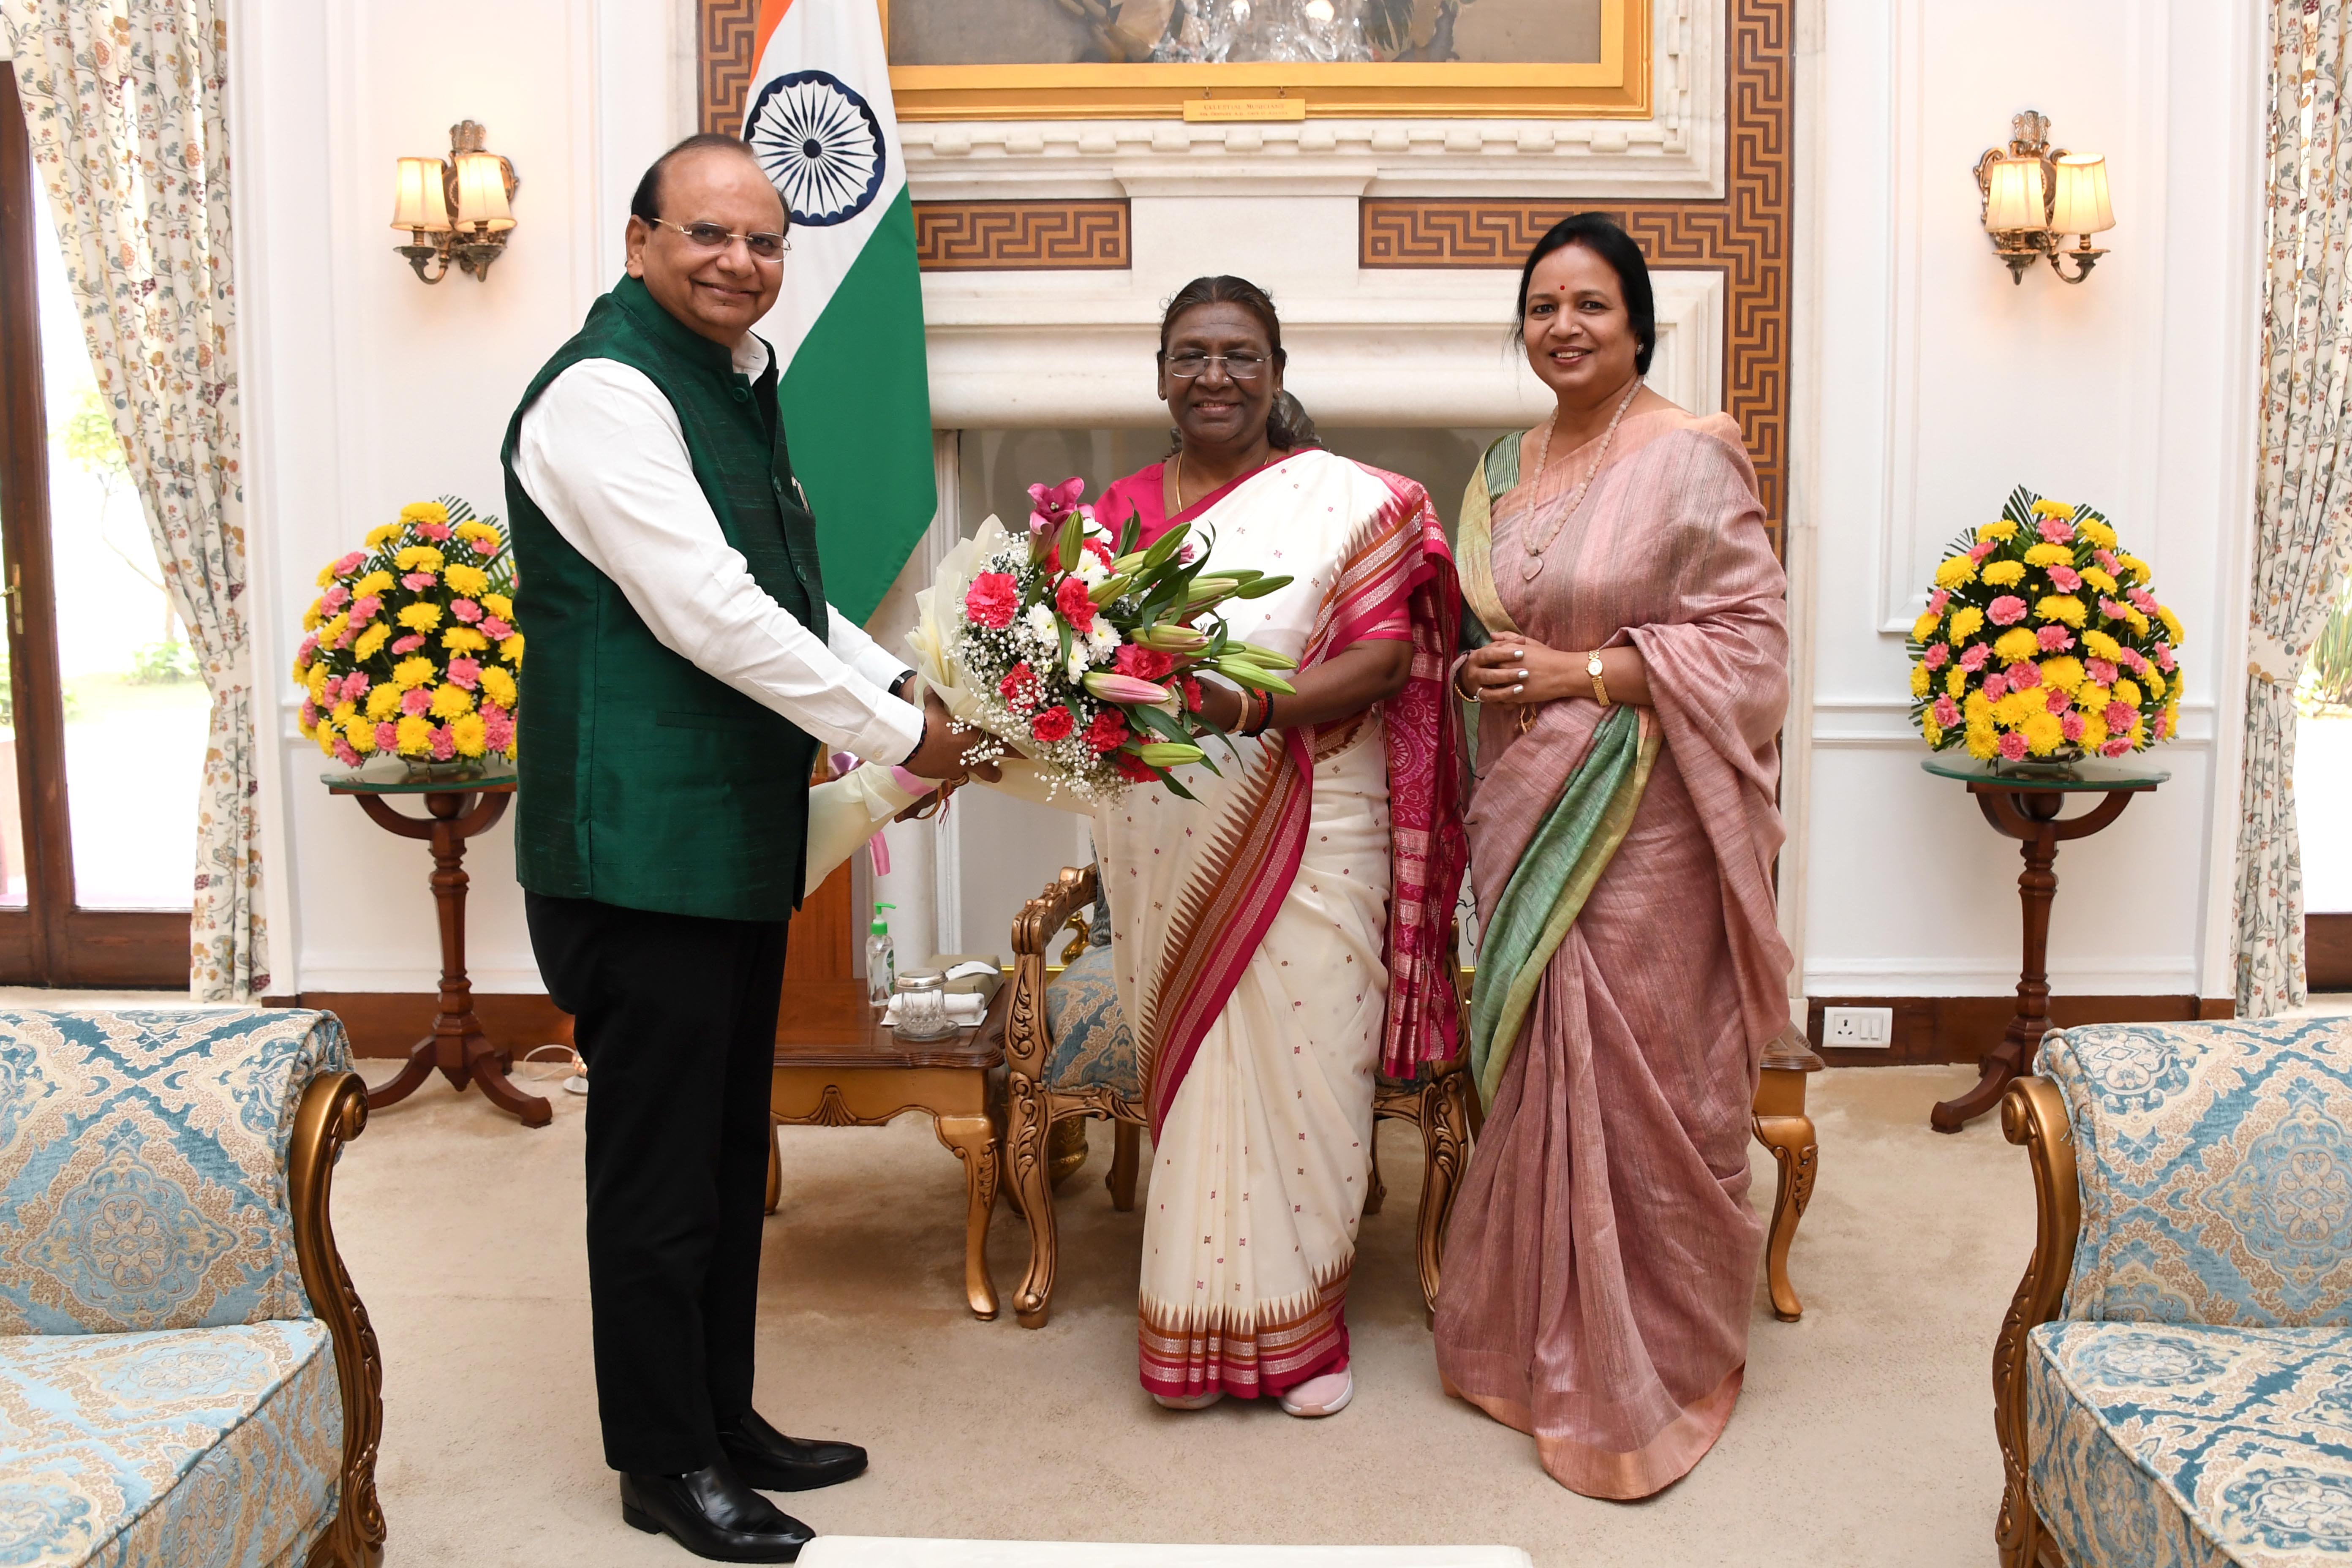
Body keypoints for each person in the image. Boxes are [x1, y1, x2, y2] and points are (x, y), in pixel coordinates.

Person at [503, 133, 980, 1563]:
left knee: (720, 1157)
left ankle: (721, 1421)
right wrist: (903, 737)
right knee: (659, 1179)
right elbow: (704, 610)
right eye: (708, 234)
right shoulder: (604, 393)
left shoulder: (730, 382)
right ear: (639, 241)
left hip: (722, 843)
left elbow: (781, 594)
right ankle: (664, 1465)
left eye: (765, 241)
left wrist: (903, 693)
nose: (740, 261)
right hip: (635, 851)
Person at [1430, 215, 1793, 1498]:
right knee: (1543, 1060)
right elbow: (1487, 636)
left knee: (1650, 1072)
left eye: (1591, 304)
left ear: (1638, 324)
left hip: (1649, 825)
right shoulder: (1500, 469)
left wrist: (1580, 673)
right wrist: (1488, 676)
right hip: (1527, 802)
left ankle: (1662, 1345)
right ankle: (1541, 1326)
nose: (1565, 326)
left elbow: (1753, 652)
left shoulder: (1692, 452)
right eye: (1543, 307)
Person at [1089, 276, 1468, 1417]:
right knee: (1197, 1070)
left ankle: (1303, 1335)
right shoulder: (1114, 515)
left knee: (1313, 1073)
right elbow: (1077, 669)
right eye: (1193, 356)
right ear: (1162, 374)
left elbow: (1385, 659)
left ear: (1278, 372)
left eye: (1241, 356)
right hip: (1168, 835)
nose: (1216, 377)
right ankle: (1192, 1331)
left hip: (1318, 820)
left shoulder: (1346, 503)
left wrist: (1250, 709)